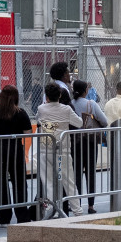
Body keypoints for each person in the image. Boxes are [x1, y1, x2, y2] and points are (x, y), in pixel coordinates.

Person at [0, 85, 34, 225]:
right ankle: (22, 215)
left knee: (0, 183)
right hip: (15, 150)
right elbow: (27, 133)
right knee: (19, 182)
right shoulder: (20, 113)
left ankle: (3, 217)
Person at [37, 83, 83, 215]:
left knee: (48, 182)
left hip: (45, 150)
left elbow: (39, 121)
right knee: (69, 182)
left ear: (47, 96)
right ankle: (77, 211)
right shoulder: (66, 109)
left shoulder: (41, 108)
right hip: (62, 150)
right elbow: (79, 123)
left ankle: (51, 210)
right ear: (60, 95)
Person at [71, 80, 108, 212]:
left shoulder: (70, 105)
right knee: (91, 172)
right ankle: (91, 205)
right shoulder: (90, 104)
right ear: (85, 91)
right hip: (90, 142)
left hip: (75, 142)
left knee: (76, 174)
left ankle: (77, 203)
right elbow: (104, 121)